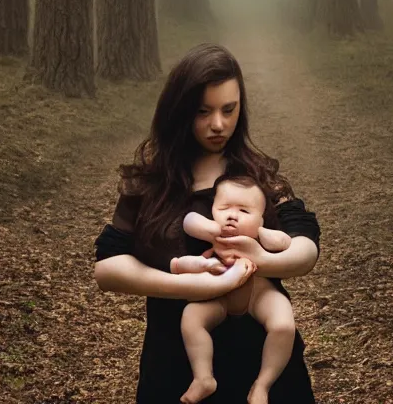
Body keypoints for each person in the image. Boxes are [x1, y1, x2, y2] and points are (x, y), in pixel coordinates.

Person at [94, 42, 320, 404]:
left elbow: (306, 247)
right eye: (203, 112)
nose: (219, 124)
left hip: (259, 363)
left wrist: (256, 261)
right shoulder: (151, 182)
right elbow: (107, 268)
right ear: (179, 112)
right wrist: (191, 288)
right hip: (176, 365)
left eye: (229, 110)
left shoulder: (257, 176)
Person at [172, 174, 296, 404]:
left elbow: (285, 243)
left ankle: (262, 384)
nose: (232, 215)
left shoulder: (260, 233)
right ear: (212, 211)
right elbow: (189, 221)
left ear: (261, 218)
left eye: (244, 211)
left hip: (257, 293)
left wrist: (261, 232)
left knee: (284, 325)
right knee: (191, 318)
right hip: (218, 295)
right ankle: (203, 377)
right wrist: (211, 229)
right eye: (224, 208)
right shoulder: (212, 232)